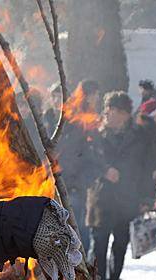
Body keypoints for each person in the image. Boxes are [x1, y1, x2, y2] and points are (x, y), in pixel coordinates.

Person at [87, 91, 156, 280]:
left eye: (116, 111)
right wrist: (104, 171)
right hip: (100, 197)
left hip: (128, 197)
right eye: (108, 110)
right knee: (99, 244)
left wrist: (147, 198)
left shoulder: (139, 136)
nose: (110, 114)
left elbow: (146, 168)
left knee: (120, 244)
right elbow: (84, 161)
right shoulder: (94, 134)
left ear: (125, 114)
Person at [55, 79, 104, 251]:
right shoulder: (77, 118)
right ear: (88, 95)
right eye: (95, 94)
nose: (97, 98)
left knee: (80, 227)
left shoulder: (88, 116)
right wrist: (79, 180)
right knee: (77, 229)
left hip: (80, 181)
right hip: (73, 182)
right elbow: (73, 152)